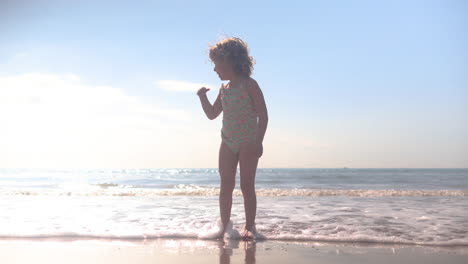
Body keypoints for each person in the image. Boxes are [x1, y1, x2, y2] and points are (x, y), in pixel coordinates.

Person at [197, 37, 268, 240]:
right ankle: (224, 226)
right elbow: (212, 114)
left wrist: (259, 141)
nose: (214, 69)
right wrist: (203, 98)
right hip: (227, 141)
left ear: (230, 62)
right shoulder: (224, 90)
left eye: (216, 64)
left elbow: (263, 115)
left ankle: (250, 227)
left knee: (247, 185)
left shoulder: (249, 85)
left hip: (248, 141)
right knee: (226, 184)